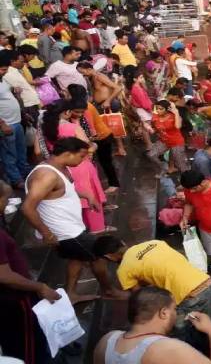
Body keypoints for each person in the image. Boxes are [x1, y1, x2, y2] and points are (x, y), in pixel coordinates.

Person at [22, 137, 125, 303]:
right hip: (65, 232)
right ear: (69, 154)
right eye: (81, 156)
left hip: (72, 227)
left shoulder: (58, 168)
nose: (84, 160)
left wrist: (87, 195)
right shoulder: (46, 175)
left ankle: (71, 294)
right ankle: (109, 290)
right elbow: (27, 208)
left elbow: (63, 190)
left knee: (77, 257)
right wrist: (46, 233)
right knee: (100, 253)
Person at [93, 236, 211, 343]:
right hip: (207, 283)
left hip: (188, 296)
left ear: (109, 257)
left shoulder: (124, 269)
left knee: (177, 334)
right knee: (210, 327)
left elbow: (141, 297)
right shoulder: (155, 242)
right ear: (123, 243)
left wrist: (121, 295)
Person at [0, 180, 61, 364]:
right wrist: (39, 286)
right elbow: (4, 275)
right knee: (27, 344)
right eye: (5, 199)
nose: (6, 204)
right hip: (14, 299)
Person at [92, 286, 211, 364]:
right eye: (174, 309)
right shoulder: (167, 349)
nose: (176, 313)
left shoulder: (106, 341)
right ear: (163, 313)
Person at [41, 96, 111, 233]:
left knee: (74, 197)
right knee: (89, 195)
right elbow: (88, 147)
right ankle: (98, 228)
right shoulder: (72, 127)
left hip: (61, 166)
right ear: (67, 112)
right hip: (80, 165)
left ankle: (82, 227)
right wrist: (95, 145)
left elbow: (40, 150)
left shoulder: (47, 129)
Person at [0, 55, 30, 189]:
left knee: (21, 152)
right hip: (6, 125)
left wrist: (23, 114)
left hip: (16, 122)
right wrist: (2, 124)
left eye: (5, 69)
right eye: (2, 69)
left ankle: (25, 175)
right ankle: (16, 180)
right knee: (9, 155)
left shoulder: (3, 81)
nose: (4, 72)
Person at [151, 100, 189, 173]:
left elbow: (178, 126)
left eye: (161, 109)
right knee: (151, 154)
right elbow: (155, 129)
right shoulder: (155, 117)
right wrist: (149, 129)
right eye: (157, 108)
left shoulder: (175, 116)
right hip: (164, 141)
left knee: (180, 164)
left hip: (176, 142)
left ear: (167, 109)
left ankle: (188, 180)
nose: (158, 111)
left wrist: (176, 112)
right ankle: (163, 167)